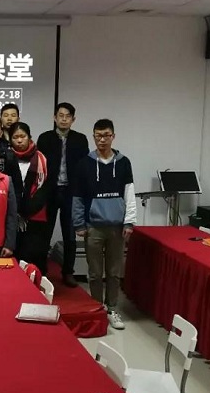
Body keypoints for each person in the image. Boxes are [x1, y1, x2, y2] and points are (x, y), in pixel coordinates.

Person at [72, 119, 136, 331]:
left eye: (106, 135)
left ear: (113, 137)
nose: (102, 140)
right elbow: (78, 197)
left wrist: (129, 222)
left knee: (114, 271)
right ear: (93, 137)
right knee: (95, 273)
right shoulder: (84, 164)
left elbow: (129, 194)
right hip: (93, 226)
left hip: (117, 227)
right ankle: (97, 308)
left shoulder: (124, 163)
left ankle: (112, 308)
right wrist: (79, 224)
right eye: (98, 136)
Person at [37, 102, 89, 288]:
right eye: (61, 115)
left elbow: (84, 168)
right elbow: (40, 166)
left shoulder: (80, 140)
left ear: (73, 119)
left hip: (71, 192)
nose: (64, 119)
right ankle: (42, 270)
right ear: (55, 117)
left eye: (68, 116)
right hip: (50, 191)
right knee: (45, 234)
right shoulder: (45, 138)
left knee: (70, 236)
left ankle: (68, 272)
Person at [8, 122, 51, 275]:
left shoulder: (41, 158)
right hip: (12, 212)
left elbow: (45, 186)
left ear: (29, 137)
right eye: (15, 137)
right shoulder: (6, 157)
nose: (19, 140)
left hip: (36, 212)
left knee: (35, 255)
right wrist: (17, 211)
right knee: (16, 255)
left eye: (23, 136)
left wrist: (28, 209)